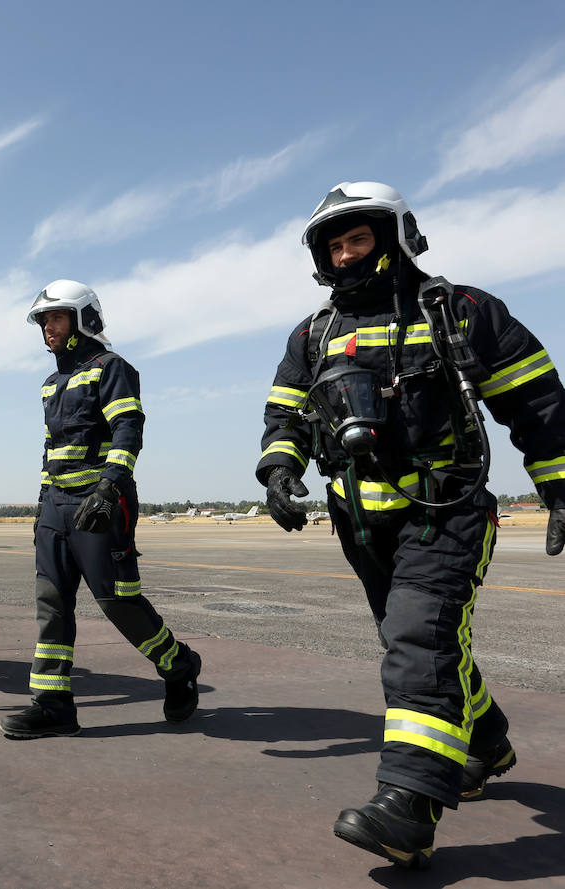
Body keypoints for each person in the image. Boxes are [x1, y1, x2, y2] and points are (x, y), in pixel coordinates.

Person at [257, 181, 565, 868]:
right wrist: (280, 470)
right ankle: (484, 742)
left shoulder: (460, 311)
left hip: (446, 511)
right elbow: (283, 415)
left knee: (417, 638)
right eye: (333, 245)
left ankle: (408, 805)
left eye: (357, 238)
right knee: (423, 642)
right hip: (361, 525)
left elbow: (538, 402)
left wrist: (559, 484)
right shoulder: (313, 334)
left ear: (396, 237)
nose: (344, 254)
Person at [0, 280, 202, 740]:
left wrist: (108, 489)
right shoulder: (51, 384)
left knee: (118, 604)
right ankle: (52, 705)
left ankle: (178, 665)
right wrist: (41, 509)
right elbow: (53, 450)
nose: (47, 327)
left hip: (100, 504)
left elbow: (128, 428)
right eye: (43, 320)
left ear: (83, 319)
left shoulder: (112, 367)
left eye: (55, 317)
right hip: (56, 507)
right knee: (51, 604)